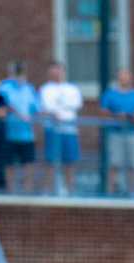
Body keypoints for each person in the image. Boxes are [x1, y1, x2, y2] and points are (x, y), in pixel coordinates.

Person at [38, 62, 83, 195]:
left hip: (69, 130)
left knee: (69, 161)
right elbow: (44, 108)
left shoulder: (72, 89)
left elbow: (76, 104)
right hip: (51, 130)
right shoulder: (45, 89)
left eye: (58, 71)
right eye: (53, 72)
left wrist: (59, 108)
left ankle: (70, 189)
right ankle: (47, 188)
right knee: (50, 160)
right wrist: (54, 113)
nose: (56, 74)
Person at [100, 67, 134, 195]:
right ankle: (111, 193)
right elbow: (103, 113)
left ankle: (133, 193)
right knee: (114, 164)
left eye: (127, 76)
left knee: (133, 164)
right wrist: (117, 116)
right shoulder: (110, 93)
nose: (124, 79)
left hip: (132, 133)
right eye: (122, 76)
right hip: (115, 133)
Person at [0, 62, 39, 192]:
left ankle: (27, 190)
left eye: (22, 72)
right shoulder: (4, 86)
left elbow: (36, 107)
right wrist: (17, 113)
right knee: (9, 163)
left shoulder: (29, 88)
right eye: (17, 72)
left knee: (28, 162)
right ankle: (11, 190)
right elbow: (0, 103)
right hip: (9, 133)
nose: (19, 75)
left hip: (26, 135)